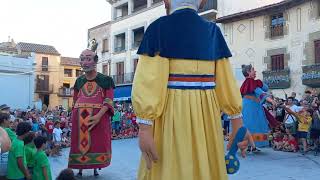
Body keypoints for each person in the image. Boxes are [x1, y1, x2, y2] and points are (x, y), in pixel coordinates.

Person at [131, 0, 250, 179]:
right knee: (206, 163)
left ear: (166, 1)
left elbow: (149, 82)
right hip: (206, 115)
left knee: (171, 166)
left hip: (172, 112)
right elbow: (226, 82)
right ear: (201, 2)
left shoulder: (158, 28)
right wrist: (237, 124)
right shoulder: (213, 31)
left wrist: (144, 129)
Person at [68, 44, 115, 177]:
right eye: (82, 59)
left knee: (97, 142)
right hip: (79, 119)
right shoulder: (79, 81)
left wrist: (99, 116)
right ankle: (80, 168)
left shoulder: (106, 80)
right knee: (79, 144)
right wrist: (73, 116)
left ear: (95, 61)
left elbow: (109, 100)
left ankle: (95, 167)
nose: (84, 62)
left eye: (88, 59)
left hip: (98, 118)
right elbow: (75, 100)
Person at [240, 64, 279, 149]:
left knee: (251, 125)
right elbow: (261, 93)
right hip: (251, 107)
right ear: (248, 72)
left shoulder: (250, 83)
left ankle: (251, 145)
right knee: (254, 125)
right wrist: (271, 100)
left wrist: (259, 83)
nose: (255, 71)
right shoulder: (250, 82)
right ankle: (250, 145)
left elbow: (265, 88)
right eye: (253, 70)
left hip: (250, 106)